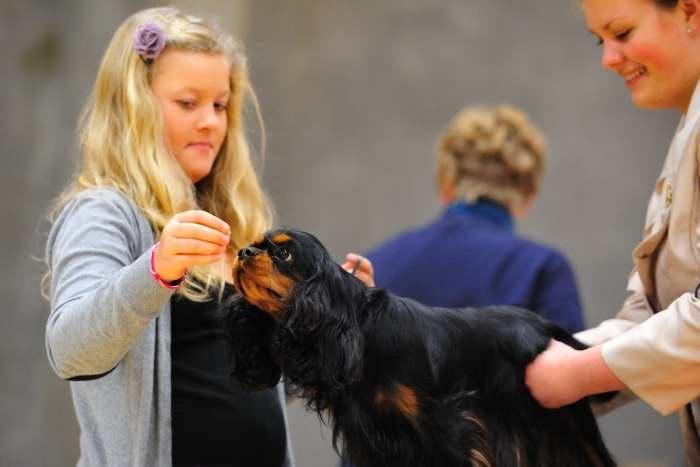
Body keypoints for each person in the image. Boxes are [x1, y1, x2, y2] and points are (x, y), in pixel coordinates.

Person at [43, 7, 294, 467]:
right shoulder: (103, 210)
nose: (210, 122)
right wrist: (156, 271)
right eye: (187, 103)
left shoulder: (229, 218)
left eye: (220, 104)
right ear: (134, 107)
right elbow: (70, 350)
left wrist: (330, 310)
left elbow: (248, 380)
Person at [524, 0, 700, 464]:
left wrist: (580, 373)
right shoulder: (688, 128)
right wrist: (515, 368)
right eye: (601, 41)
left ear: (691, 11)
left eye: (622, 33)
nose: (608, 59)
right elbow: (649, 315)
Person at [345, 105, 585, 333]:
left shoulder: (376, 265)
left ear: (446, 183)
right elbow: (572, 374)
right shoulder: (542, 272)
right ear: (529, 195)